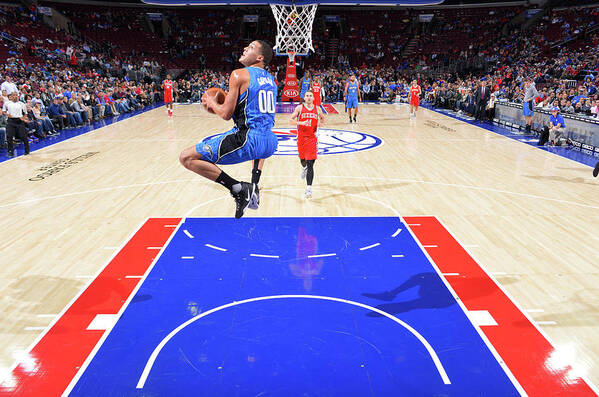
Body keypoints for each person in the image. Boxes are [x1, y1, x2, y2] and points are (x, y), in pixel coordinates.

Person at [179, 40, 278, 219]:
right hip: (270, 142)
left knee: (187, 157)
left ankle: (238, 188)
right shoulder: (272, 80)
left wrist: (212, 103)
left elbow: (225, 113)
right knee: (219, 142)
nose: (245, 49)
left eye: (251, 47)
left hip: (247, 138)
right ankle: (252, 187)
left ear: (260, 57)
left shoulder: (239, 74)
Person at [289, 90, 325, 199]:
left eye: (310, 96)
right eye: (307, 96)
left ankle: (308, 189)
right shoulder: (299, 108)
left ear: (313, 98)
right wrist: (301, 123)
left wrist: (320, 124)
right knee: (303, 160)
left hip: (312, 138)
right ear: (304, 98)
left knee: (311, 163)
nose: (309, 98)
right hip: (301, 138)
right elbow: (291, 120)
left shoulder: (318, 109)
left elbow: (323, 119)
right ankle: (303, 167)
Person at [1, 92, 30, 157]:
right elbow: (3, 111)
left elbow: (25, 113)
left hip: (19, 121)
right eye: (13, 95)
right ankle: (10, 151)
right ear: (11, 96)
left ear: (18, 96)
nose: (15, 96)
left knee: (23, 136)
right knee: (9, 137)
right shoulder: (7, 103)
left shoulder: (22, 104)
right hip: (11, 121)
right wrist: (7, 114)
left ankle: (27, 150)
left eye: (16, 95)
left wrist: (23, 118)